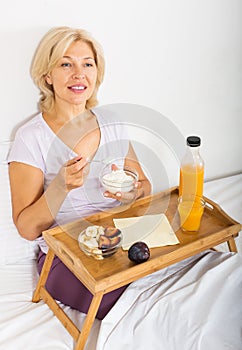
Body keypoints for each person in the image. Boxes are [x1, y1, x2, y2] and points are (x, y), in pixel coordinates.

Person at [8, 26, 151, 320]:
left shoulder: (112, 122)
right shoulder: (31, 137)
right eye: (65, 64)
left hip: (120, 238)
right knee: (137, 307)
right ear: (47, 75)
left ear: (97, 72)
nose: (79, 73)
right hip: (66, 255)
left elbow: (144, 186)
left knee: (176, 279)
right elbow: (26, 228)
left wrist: (132, 192)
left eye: (87, 63)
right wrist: (60, 187)